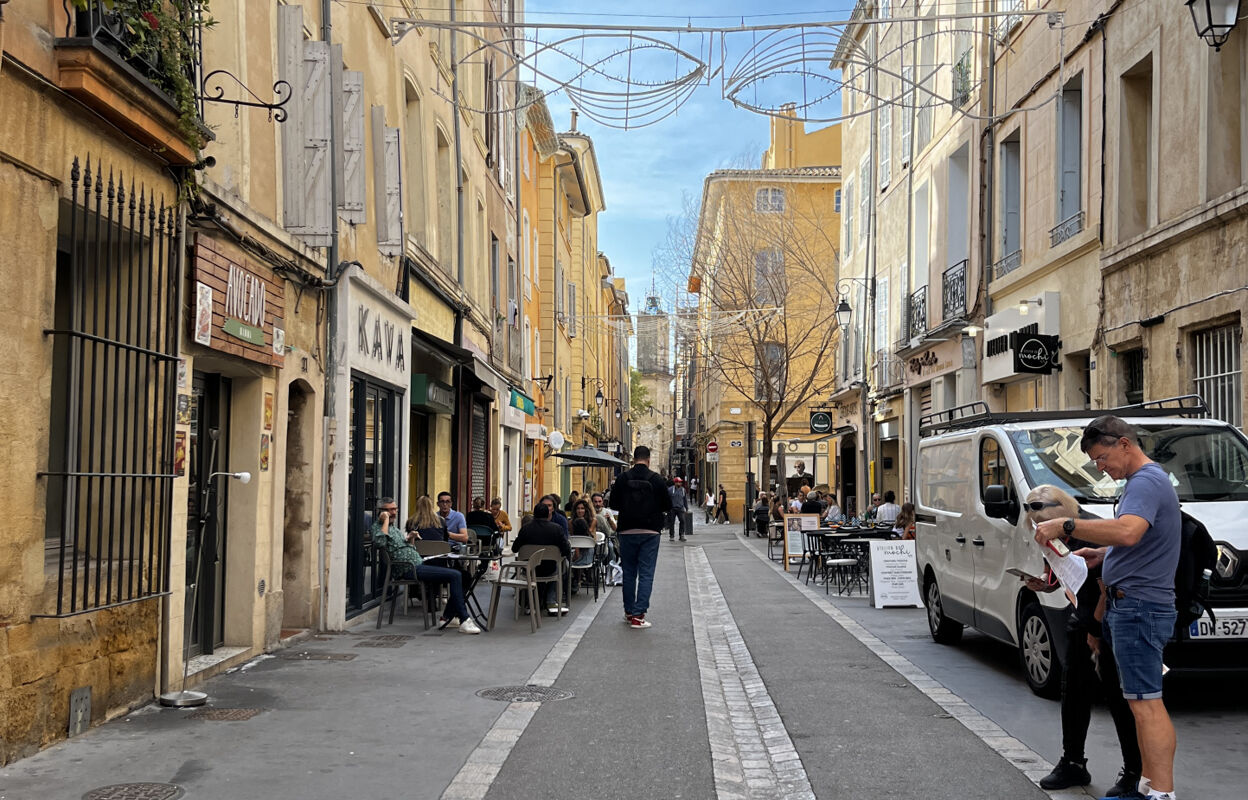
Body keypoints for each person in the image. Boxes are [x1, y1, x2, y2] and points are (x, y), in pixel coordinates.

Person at [1034, 415, 1181, 800]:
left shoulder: (1146, 482)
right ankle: (1147, 785)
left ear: (1124, 445)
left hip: (1139, 607)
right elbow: (1135, 539)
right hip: (1134, 605)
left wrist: (1067, 525)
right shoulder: (1145, 482)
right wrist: (1104, 553)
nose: (1101, 467)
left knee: (1146, 704)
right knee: (1140, 702)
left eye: (1101, 458)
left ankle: (1160, 793)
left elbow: (1129, 531)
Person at [1025, 485, 1142, 797]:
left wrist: (1096, 630)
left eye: (1045, 528)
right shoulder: (1052, 535)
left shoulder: (1090, 533)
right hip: (1083, 616)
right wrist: (1045, 585)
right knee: (1073, 691)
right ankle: (1073, 761)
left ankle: (1134, 771)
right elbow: (1066, 573)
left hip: (1108, 619)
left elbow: (1106, 587)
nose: (1045, 537)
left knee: (1120, 700)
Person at [373, 497, 481, 634]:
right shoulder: (380, 527)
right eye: (390, 510)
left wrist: (410, 538)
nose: (394, 512)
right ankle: (464, 619)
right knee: (456, 575)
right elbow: (380, 543)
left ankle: (448, 616)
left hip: (420, 562)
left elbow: (406, 548)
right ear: (382, 512)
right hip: (411, 568)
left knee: (465, 576)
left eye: (395, 509)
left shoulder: (399, 526)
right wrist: (385, 520)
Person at [609, 445, 671, 629]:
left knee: (628, 572)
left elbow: (613, 503)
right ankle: (638, 615)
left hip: (627, 529)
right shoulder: (657, 480)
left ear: (634, 459)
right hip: (650, 531)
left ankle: (629, 612)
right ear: (648, 459)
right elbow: (667, 505)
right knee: (646, 573)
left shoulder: (622, 479)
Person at [512, 503, 572, 615]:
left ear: (534, 514)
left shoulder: (525, 529)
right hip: (549, 569)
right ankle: (550, 600)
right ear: (548, 514)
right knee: (560, 566)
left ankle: (532, 603)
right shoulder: (556, 529)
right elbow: (566, 550)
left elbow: (514, 548)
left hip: (530, 570)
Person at [568, 497, 598, 593]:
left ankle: (577, 579)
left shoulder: (593, 520)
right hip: (576, 548)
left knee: (578, 553)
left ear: (586, 510)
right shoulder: (571, 522)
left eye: (582, 508)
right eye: (578, 508)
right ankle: (576, 580)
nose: (580, 511)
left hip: (587, 548)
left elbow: (587, 534)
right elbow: (573, 538)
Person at [667, 477, 688, 541]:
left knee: (682, 521)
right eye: (678, 482)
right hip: (672, 509)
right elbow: (667, 499)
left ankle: (681, 535)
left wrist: (686, 508)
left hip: (680, 508)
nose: (680, 483)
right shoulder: (670, 490)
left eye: (680, 482)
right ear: (675, 483)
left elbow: (685, 499)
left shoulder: (683, 490)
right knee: (671, 522)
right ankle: (671, 536)